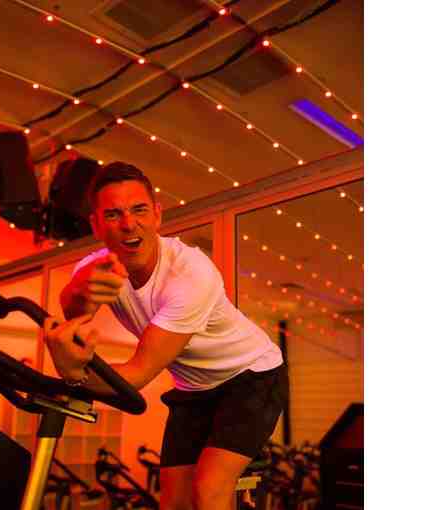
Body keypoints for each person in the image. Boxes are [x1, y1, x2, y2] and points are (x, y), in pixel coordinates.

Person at [44, 162, 288, 510]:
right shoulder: (93, 269)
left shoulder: (190, 275)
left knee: (209, 490)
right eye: (113, 214)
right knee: (173, 502)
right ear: (95, 224)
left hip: (251, 376)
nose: (129, 224)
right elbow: (73, 314)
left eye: (139, 210)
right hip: (193, 389)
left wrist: (73, 374)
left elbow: (137, 374)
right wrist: (78, 293)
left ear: (157, 214)